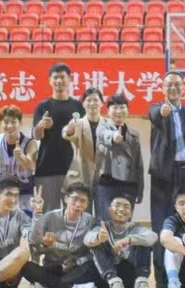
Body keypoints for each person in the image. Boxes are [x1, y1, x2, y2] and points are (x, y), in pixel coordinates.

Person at [148, 72, 185, 286]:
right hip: (163, 175)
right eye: (169, 85)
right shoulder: (157, 109)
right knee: (162, 223)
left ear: (184, 88)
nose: (173, 88)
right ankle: (161, 278)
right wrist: (162, 112)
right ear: (163, 89)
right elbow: (155, 115)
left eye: (177, 85)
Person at [23, 182, 102, 288]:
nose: (78, 204)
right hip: (52, 267)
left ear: (87, 204)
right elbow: (33, 241)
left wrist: (99, 237)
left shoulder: (90, 221)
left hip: (75, 270)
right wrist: (37, 213)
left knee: (94, 266)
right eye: (75, 199)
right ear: (66, 199)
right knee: (26, 268)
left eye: (83, 201)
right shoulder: (51, 217)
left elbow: (91, 250)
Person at [32, 63, 86, 213]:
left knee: (73, 212)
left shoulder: (78, 106)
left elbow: (84, 136)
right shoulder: (42, 106)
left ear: (69, 80)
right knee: (48, 213)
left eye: (62, 77)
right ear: (50, 81)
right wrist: (41, 125)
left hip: (73, 169)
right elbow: (36, 136)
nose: (59, 81)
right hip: (46, 168)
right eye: (55, 77)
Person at [84, 194, 157, 288]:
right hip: (108, 280)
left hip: (132, 278)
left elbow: (153, 237)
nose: (121, 209)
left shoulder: (135, 227)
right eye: (117, 205)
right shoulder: (102, 227)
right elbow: (86, 240)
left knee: (142, 240)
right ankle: (114, 282)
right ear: (109, 210)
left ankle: (141, 282)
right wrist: (99, 237)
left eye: (126, 207)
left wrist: (129, 240)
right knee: (97, 243)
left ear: (130, 213)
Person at [93, 93, 144, 221]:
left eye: (122, 107)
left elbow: (139, 164)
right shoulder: (101, 128)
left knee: (124, 222)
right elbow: (105, 134)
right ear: (107, 111)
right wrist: (114, 137)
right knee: (105, 222)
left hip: (129, 185)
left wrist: (140, 189)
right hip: (107, 183)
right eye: (114, 108)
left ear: (127, 110)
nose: (118, 111)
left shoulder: (134, 134)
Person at [64, 87, 103, 207]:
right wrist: (69, 130)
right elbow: (67, 134)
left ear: (101, 103)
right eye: (88, 100)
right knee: (81, 211)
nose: (92, 103)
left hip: (103, 176)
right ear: (83, 104)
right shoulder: (77, 123)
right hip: (81, 174)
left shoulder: (108, 124)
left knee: (102, 213)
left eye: (96, 100)